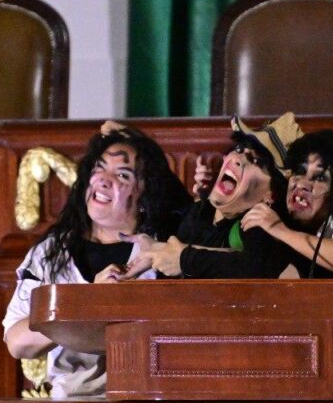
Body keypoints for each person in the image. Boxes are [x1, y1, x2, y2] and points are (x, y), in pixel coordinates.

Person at [2, 124, 191, 398]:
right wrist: (88, 302)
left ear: (144, 194)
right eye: (99, 168)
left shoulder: (160, 251)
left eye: (122, 175)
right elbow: (17, 342)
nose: (103, 180)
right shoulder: (53, 251)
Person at [127, 113, 304, 279]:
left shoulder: (256, 224)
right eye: (239, 149)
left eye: (255, 161)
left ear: (270, 195)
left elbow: (256, 265)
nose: (238, 159)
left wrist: (184, 258)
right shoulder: (201, 210)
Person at [238, 129, 333, 278]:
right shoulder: (274, 211)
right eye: (299, 171)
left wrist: (281, 231)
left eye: (320, 178)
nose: (301, 184)